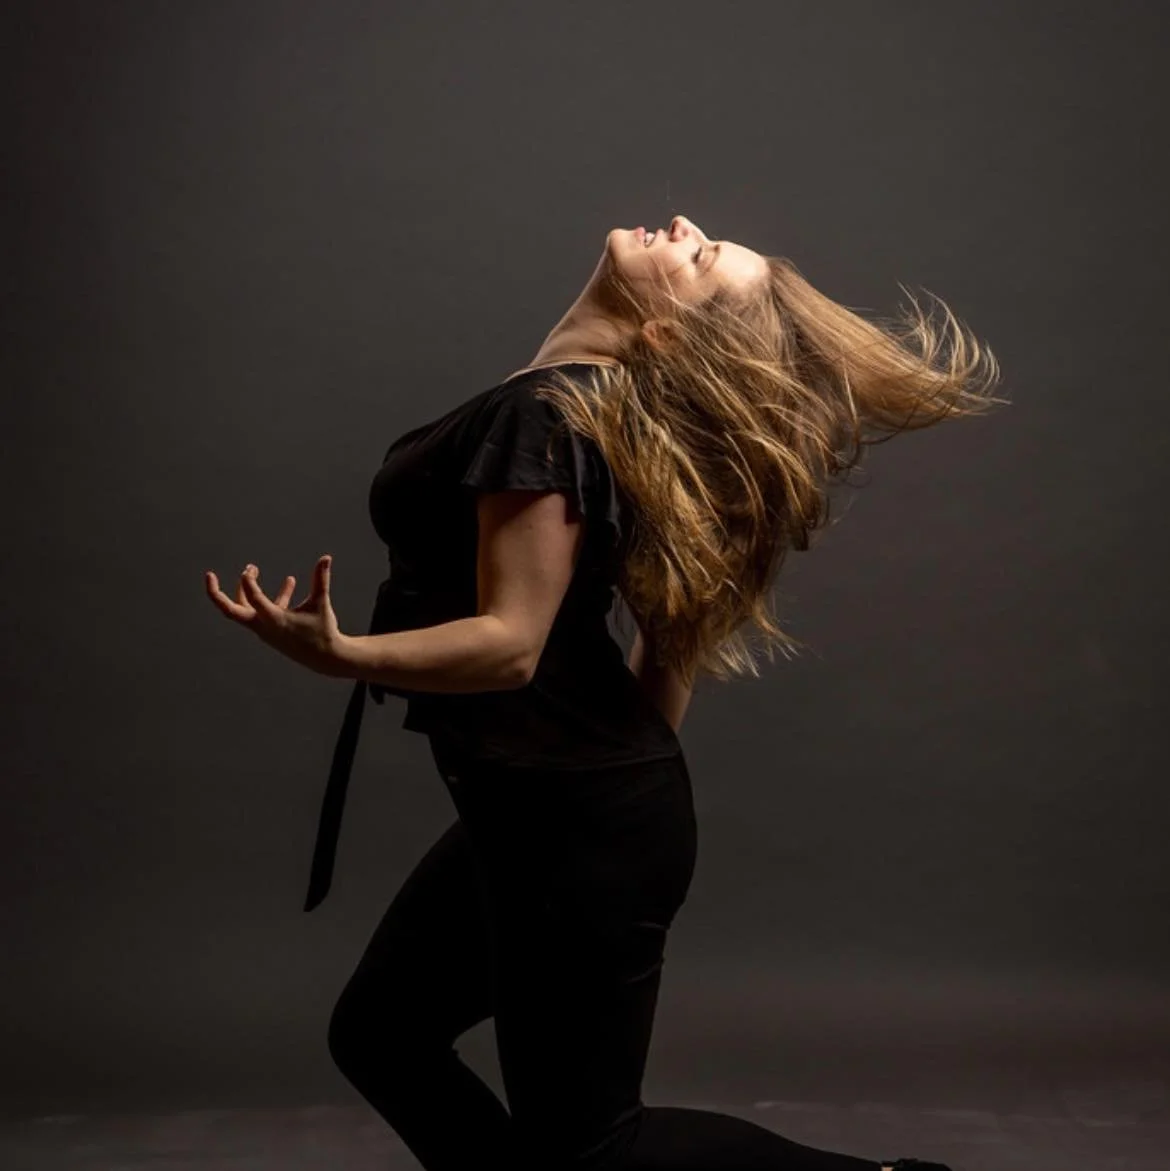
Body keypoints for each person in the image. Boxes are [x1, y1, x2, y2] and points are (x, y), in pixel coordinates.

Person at [207, 215, 1004, 1170]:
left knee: (592, 1145)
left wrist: (342, 653)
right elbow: (670, 647)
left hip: (578, 822)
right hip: (558, 809)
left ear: (665, 330)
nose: (689, 228)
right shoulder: (581, 409)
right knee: (382, 1034)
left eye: (701, 259)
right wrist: (609, 783)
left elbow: (510, 645)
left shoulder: (548, 415)